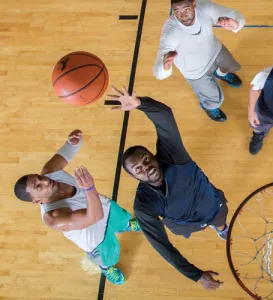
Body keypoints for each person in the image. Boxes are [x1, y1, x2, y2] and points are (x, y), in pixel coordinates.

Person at [107, 85, 229, 290]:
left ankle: (221, 229)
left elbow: (165, 117)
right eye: (138, 168)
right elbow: (161, 245)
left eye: (146, 159)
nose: (145, 167)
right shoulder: (143, 205)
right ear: (134, 177)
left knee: (221, 221)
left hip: (213, 205)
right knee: (192, 228)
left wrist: (140, 104)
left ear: (153, 155)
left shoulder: (173, 156)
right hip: (185, 224)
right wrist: (195, 275)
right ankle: (217, 227)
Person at [13, 129, 141, 286]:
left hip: (105, 208)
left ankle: (126, 225)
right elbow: (94, 217)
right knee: (111, 257)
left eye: (39, 177)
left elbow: (70, 148)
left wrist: (74, 141)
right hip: (97, 239)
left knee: (123, 218)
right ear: (36, 200)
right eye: (38, 186)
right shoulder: (53, 218)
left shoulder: (50, 171)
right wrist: (89, 188)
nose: (46, 181)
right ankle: (106, 267)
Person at [153, 0, 246, 122]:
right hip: (195, 71)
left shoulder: (205, 7)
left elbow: (236, 16)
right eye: (177, 11)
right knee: (216, 99)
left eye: (186, 9)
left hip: (214, 51)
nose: (183, 16)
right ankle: (207, 106)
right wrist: (165, 66)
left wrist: (236, 24)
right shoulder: (171, 31)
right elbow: (158, 72)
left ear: (194, 4)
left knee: (232, 66)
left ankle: (220, 74)